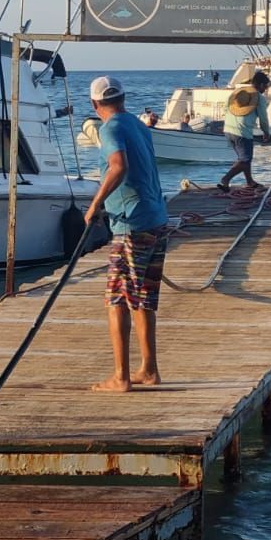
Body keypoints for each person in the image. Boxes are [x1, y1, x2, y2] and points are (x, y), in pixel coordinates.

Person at [82, 76, 170, 393]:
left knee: (117, 298)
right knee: (144, 297)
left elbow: (118, 166)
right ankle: (149, 369)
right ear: (123, 98)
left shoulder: (110, 129)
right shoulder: (138, 125)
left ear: (94, 104)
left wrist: (95, 204)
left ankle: (121, 377)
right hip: (156, 218)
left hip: (132, 224)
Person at [217, 70, 271, 191]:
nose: (266, 89)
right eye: (266, 86)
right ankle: (226, 179)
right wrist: (266, 132)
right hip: (242, 132)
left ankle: (249, 182)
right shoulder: (259, 98)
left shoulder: (237, 94)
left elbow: (225, 108)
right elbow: (263, 117)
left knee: (244, 158)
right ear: (261, 85)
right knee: (245, 160)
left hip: (228, 130)